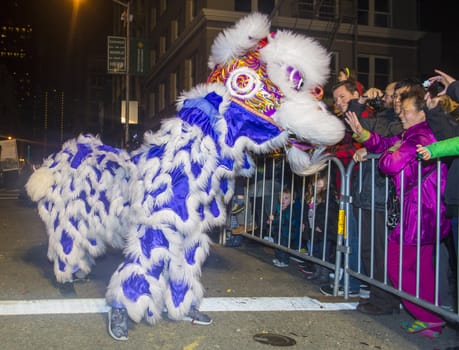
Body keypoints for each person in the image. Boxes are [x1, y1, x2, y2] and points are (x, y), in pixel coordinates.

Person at [345, 89, 451, 338]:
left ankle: (428, 316)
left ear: (422, 112)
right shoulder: (411, 133)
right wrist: (363, 135)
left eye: (406, 110)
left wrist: (388, 152)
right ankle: (430, 317)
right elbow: (384, 145)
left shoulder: (422, 134)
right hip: (420, 208)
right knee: (420, 266)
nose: (400, 114)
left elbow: (390, 163)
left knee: (397, 264)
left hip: (419, 210)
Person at [351, 81, 403, 315]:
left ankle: (385, 300)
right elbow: (356, 126)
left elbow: (392, 143)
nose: (386, 97)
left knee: (381, 251)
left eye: (391, 94)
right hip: (369, 192)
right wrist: (360, 101)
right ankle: (377, 295)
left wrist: (371, 151)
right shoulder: (384, 117)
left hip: (384, 195)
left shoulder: (400, 122)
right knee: (369, 250)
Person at [302, 170, 339, 283]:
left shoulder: (328, 196)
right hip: (312, 228)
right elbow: (306, 211)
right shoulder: (311, 195)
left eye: (320, 180)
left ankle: (324, 274)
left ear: (326, 181)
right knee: (315, 251)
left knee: (324, 253)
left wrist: (321, 226)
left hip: (323, 230)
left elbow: (329, 214)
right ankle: (317, 271)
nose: (317, 182)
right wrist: (304, 223)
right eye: (315, 180)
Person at [267, 187, 302, 268]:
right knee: (277, 245)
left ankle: (284, 261)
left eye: (286, 198)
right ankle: (279, 258)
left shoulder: (290, 210)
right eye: (281, 198)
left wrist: (274, 219)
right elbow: (275, 216)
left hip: (286, 233)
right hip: (278, 231)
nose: (283, 200)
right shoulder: (278, 207)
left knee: (284, 247)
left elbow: (283, 220)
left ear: (292, 201)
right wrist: (270, 221)